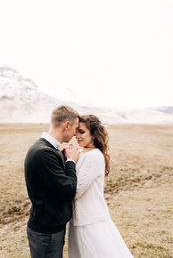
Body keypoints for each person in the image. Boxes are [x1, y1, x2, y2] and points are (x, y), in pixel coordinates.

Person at [68, 115, 133, 258]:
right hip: (79, 218)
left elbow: (76, 190)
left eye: (82, 132)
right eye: (76, 131)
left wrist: (70, 162)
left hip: (89, 220)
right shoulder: (82, 152)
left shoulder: (94, 157)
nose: (77, 136)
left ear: (94, 134)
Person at [24, 105, 80, 258]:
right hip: (46, 232)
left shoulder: (48, 149)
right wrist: (70, 162)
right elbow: (67, 191)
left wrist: (62, 158)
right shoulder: (44, 153)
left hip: (48, 228)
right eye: (75, 128)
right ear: (67, 125)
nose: (75, 134)